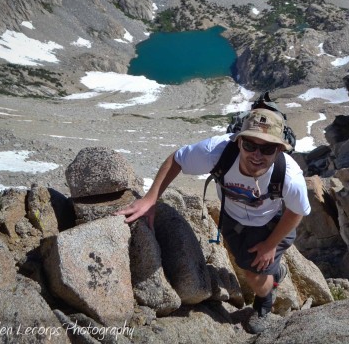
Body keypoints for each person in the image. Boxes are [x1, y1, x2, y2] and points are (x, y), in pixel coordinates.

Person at [117, 108, 311, 334]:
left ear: (279, 149)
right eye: (249, 145)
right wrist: (150, 200)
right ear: (239, 142)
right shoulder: (217, 151)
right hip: (232, 219)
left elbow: (297, 211)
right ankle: (274, 273)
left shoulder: (289, 175)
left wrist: (270, 246)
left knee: (254, 276)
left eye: (267, 148)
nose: (257, 155)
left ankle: (264, 303)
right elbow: (177, 159)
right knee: (246, 263)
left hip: (271, 224)